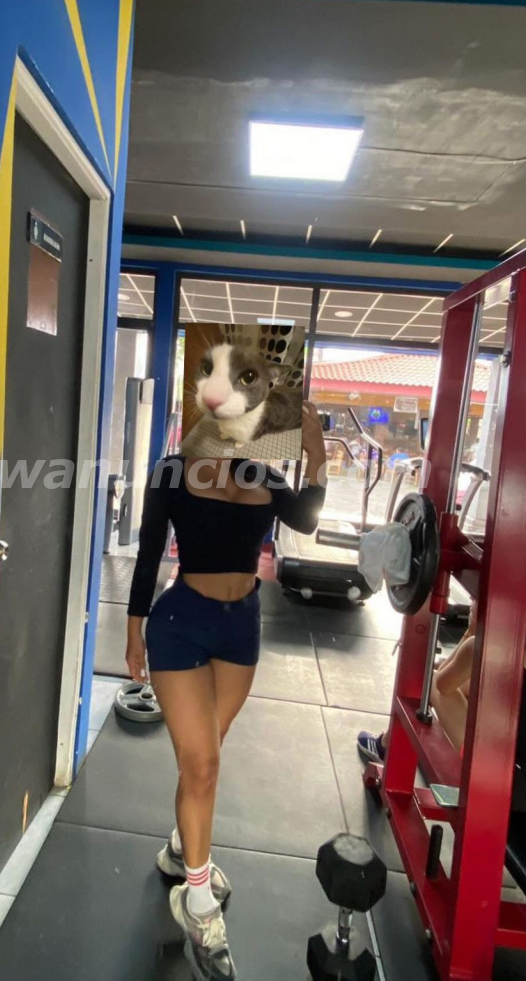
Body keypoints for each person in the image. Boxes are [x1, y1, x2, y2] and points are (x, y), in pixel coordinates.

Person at [126, 401, 327, 981]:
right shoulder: (172, 470)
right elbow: (149, 550)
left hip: (241, 627)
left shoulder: (264, 474)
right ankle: (198, 905)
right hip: (180, 623)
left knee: (206, 756)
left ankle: (181, 848)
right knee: (203, 764)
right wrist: (134, 629)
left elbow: (306, 521)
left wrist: (315, 452)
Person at [357, 602, 526, 814]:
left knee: (429, 682)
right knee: (457, 688)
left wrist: (472, 630)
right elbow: (465, 686)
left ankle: (388, 748)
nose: (471, 602)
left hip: (514, 789)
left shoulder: (483, 645)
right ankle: (388, 744)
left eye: (475, 598)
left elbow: (441, 684)